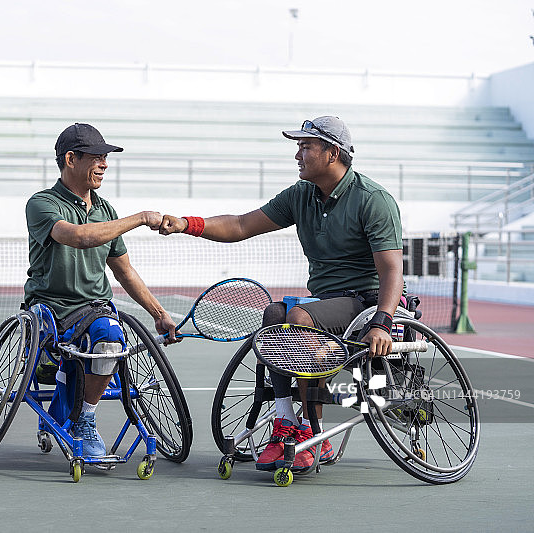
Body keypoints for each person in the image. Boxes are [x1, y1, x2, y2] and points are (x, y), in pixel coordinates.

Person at [159, 116, 404, 473]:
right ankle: (287, 422)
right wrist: (188, 224)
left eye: (305, 147)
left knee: (300, 318)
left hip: (366, 301)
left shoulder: (373, 200)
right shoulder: (300, 195)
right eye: (298, 147)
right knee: (275, 315)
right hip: (328, 302)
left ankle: (312, 432)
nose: (298, 155)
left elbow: (392, 270)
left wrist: (383, 321)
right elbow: (241, 225)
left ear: (332, 153)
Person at [24, 123, 178, 458]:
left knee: (109, 336)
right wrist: (139, 218)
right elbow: (80, 237)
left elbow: (124, 270)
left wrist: (159, 313)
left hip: (94, 308)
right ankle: (56, 373)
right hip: (50, 310)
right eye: (96, 157)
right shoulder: (42, 204)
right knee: (86, 341)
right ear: (70, 159)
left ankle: (85, 420)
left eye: (106, 157)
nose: (105, 164)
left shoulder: (106, 211)